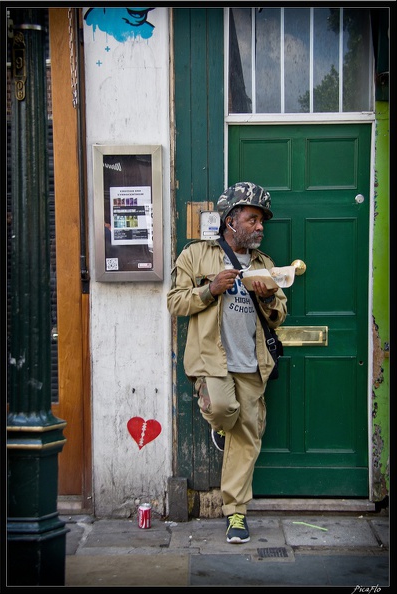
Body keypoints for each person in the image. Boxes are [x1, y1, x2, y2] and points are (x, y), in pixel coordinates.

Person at [167, 182, 287, 544]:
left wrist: (267, 299)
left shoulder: (265, 265)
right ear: (230, 220)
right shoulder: (196, 256)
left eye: (262, 221)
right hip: (213, 362)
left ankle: (236, 512)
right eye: (253, 219)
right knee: (222, 410)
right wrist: (210, 289)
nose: (260, 227)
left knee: (248, 436)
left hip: (252, 364)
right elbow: (175, 303)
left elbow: (280, 313)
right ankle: (220, 424)